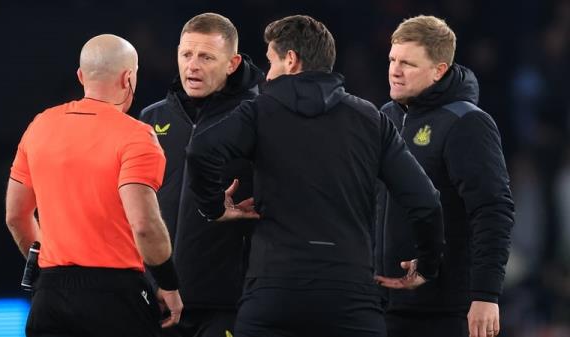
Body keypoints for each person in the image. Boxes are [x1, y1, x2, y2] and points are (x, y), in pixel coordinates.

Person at [186, 15, 445, 337]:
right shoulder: (371, 120)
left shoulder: (259, 111)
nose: (267, 75)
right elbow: (425, 201)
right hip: (351, 296)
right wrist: (427, 263)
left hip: (273, 291)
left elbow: (201, 151)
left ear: (291, 60)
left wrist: (213, 207)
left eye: (271, 62)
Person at [5, 34, 183, 337]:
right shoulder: (136, 136)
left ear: (81, 75)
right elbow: (144, 224)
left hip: (50, 296)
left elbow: (16, 216)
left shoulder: (40, 126)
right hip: (115, 297)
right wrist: (168, 282)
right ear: (129, 78)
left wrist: (49, 269)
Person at [373, 15, 515, 337]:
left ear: (439, 70)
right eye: (392, 59)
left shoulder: (466, 123)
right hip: (384, 307)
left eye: (407, 63)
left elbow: (493, 210)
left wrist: (485, 295)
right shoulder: (385, 117)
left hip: (445, 311)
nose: (395, 70)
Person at [139, 13, 264, 337]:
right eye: (186, 54)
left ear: (232, 63)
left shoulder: (259, 119)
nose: (192, 65)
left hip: (228, 305)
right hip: (158, 299)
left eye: (206, 57)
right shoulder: (151, 117)